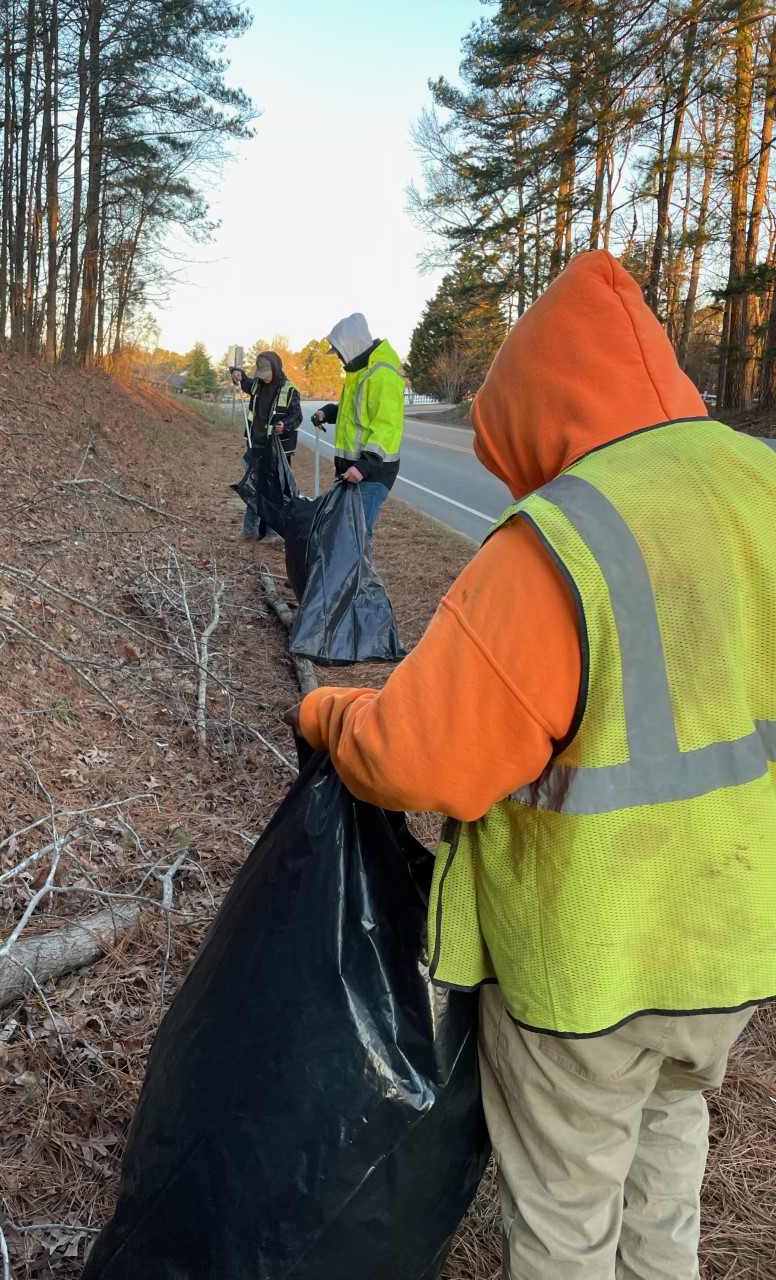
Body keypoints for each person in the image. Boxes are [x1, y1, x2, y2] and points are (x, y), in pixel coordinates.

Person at [287, 251, 776, 1279]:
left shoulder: (561, 539)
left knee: (567, 1213)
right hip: (733, 948)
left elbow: (420, 755)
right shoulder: (760, 487)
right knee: (667, 1152)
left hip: (586, 970)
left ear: (538, 416)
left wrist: (330, 713)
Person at [309, 312, 404, 538]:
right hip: (352, 470)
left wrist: (363, 466)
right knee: (345, 532)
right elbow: (351, 411)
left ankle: (359, 574)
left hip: (372, 473)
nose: (339, 358)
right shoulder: (358, 373)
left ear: (350, 346)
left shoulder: (382, 375)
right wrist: (327, 412)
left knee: (357, 535)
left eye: (340, 352)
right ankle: (346, 574)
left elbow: (386, 427)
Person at [231, 351, 302, 540]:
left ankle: (272, 533)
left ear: (275, 368)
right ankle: (249, 532)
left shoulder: (290, 390)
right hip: (256, 446)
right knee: (254, 487)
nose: (263, 378)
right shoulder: (257, 385)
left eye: (266, 374)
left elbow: (297, 416)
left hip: (278, 450)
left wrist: (285, 425)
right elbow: (242, 379)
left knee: (275, 491)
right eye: (260, 374)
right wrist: (235, 371)